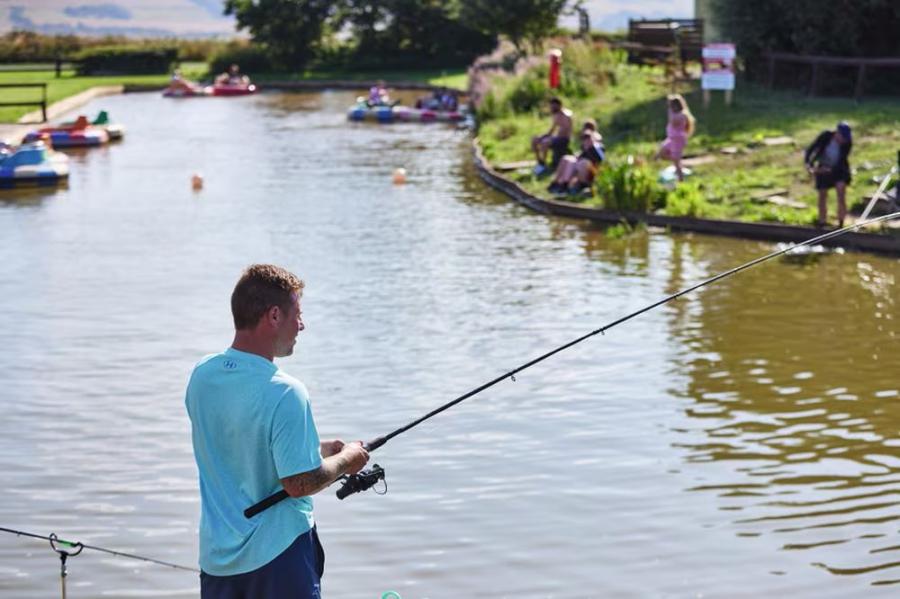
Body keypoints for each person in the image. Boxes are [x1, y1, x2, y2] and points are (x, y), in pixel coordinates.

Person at [186, 264, 370, 598]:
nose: (302, 325)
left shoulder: (202, 376)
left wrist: (314, 446)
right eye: (296, 314)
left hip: (217, 562)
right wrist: (347, 459)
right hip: (278, 559)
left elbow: (237, 441)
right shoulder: (286, 392)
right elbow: (299, 483)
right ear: (273, 316)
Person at [805, 121, 853, 227]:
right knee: (822, 195)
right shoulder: (826, 136)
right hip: (823, 166)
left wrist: (830, 169)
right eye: (842, 137)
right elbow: (812, 149)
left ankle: (841, 222)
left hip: (839, 169)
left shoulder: (848, 143)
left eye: (845, 138)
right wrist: (809, 164)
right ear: (837, 133)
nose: (843, 140)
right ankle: (822, 221)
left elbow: (842, 160)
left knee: (841, 193)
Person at [547, 125, 605, 195]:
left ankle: (566, 185)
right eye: (584, 138)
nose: (586, 140)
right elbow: (580, 156)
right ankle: (558, 183)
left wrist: (590, 149)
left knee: (580, 163)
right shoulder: (584, 147)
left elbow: (600, 159)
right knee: (566, 159)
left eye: (588, 138)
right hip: (582, 167)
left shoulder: (597, 147)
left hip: (591, 170)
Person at [654, 94, 695, 182]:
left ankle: (681, 180)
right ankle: (677, 161)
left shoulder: (682, 115)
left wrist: (670, 111)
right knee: (662, 152)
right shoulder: (675, 114)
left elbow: (673, 121)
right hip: (671, 139)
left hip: (678, 141)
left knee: (676, 163)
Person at [531, 97, 573, 176]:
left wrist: (550, 138)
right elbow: (552, 130)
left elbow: (565, 132)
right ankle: (539, 162)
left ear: (559, 105)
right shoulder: (556, 115)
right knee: (534, 139)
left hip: (564, 139)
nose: (551, 108)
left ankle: (544, 164)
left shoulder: (566, 115)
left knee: (545, 143)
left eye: (553, 106)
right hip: (556, 137)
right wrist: (541, 136)